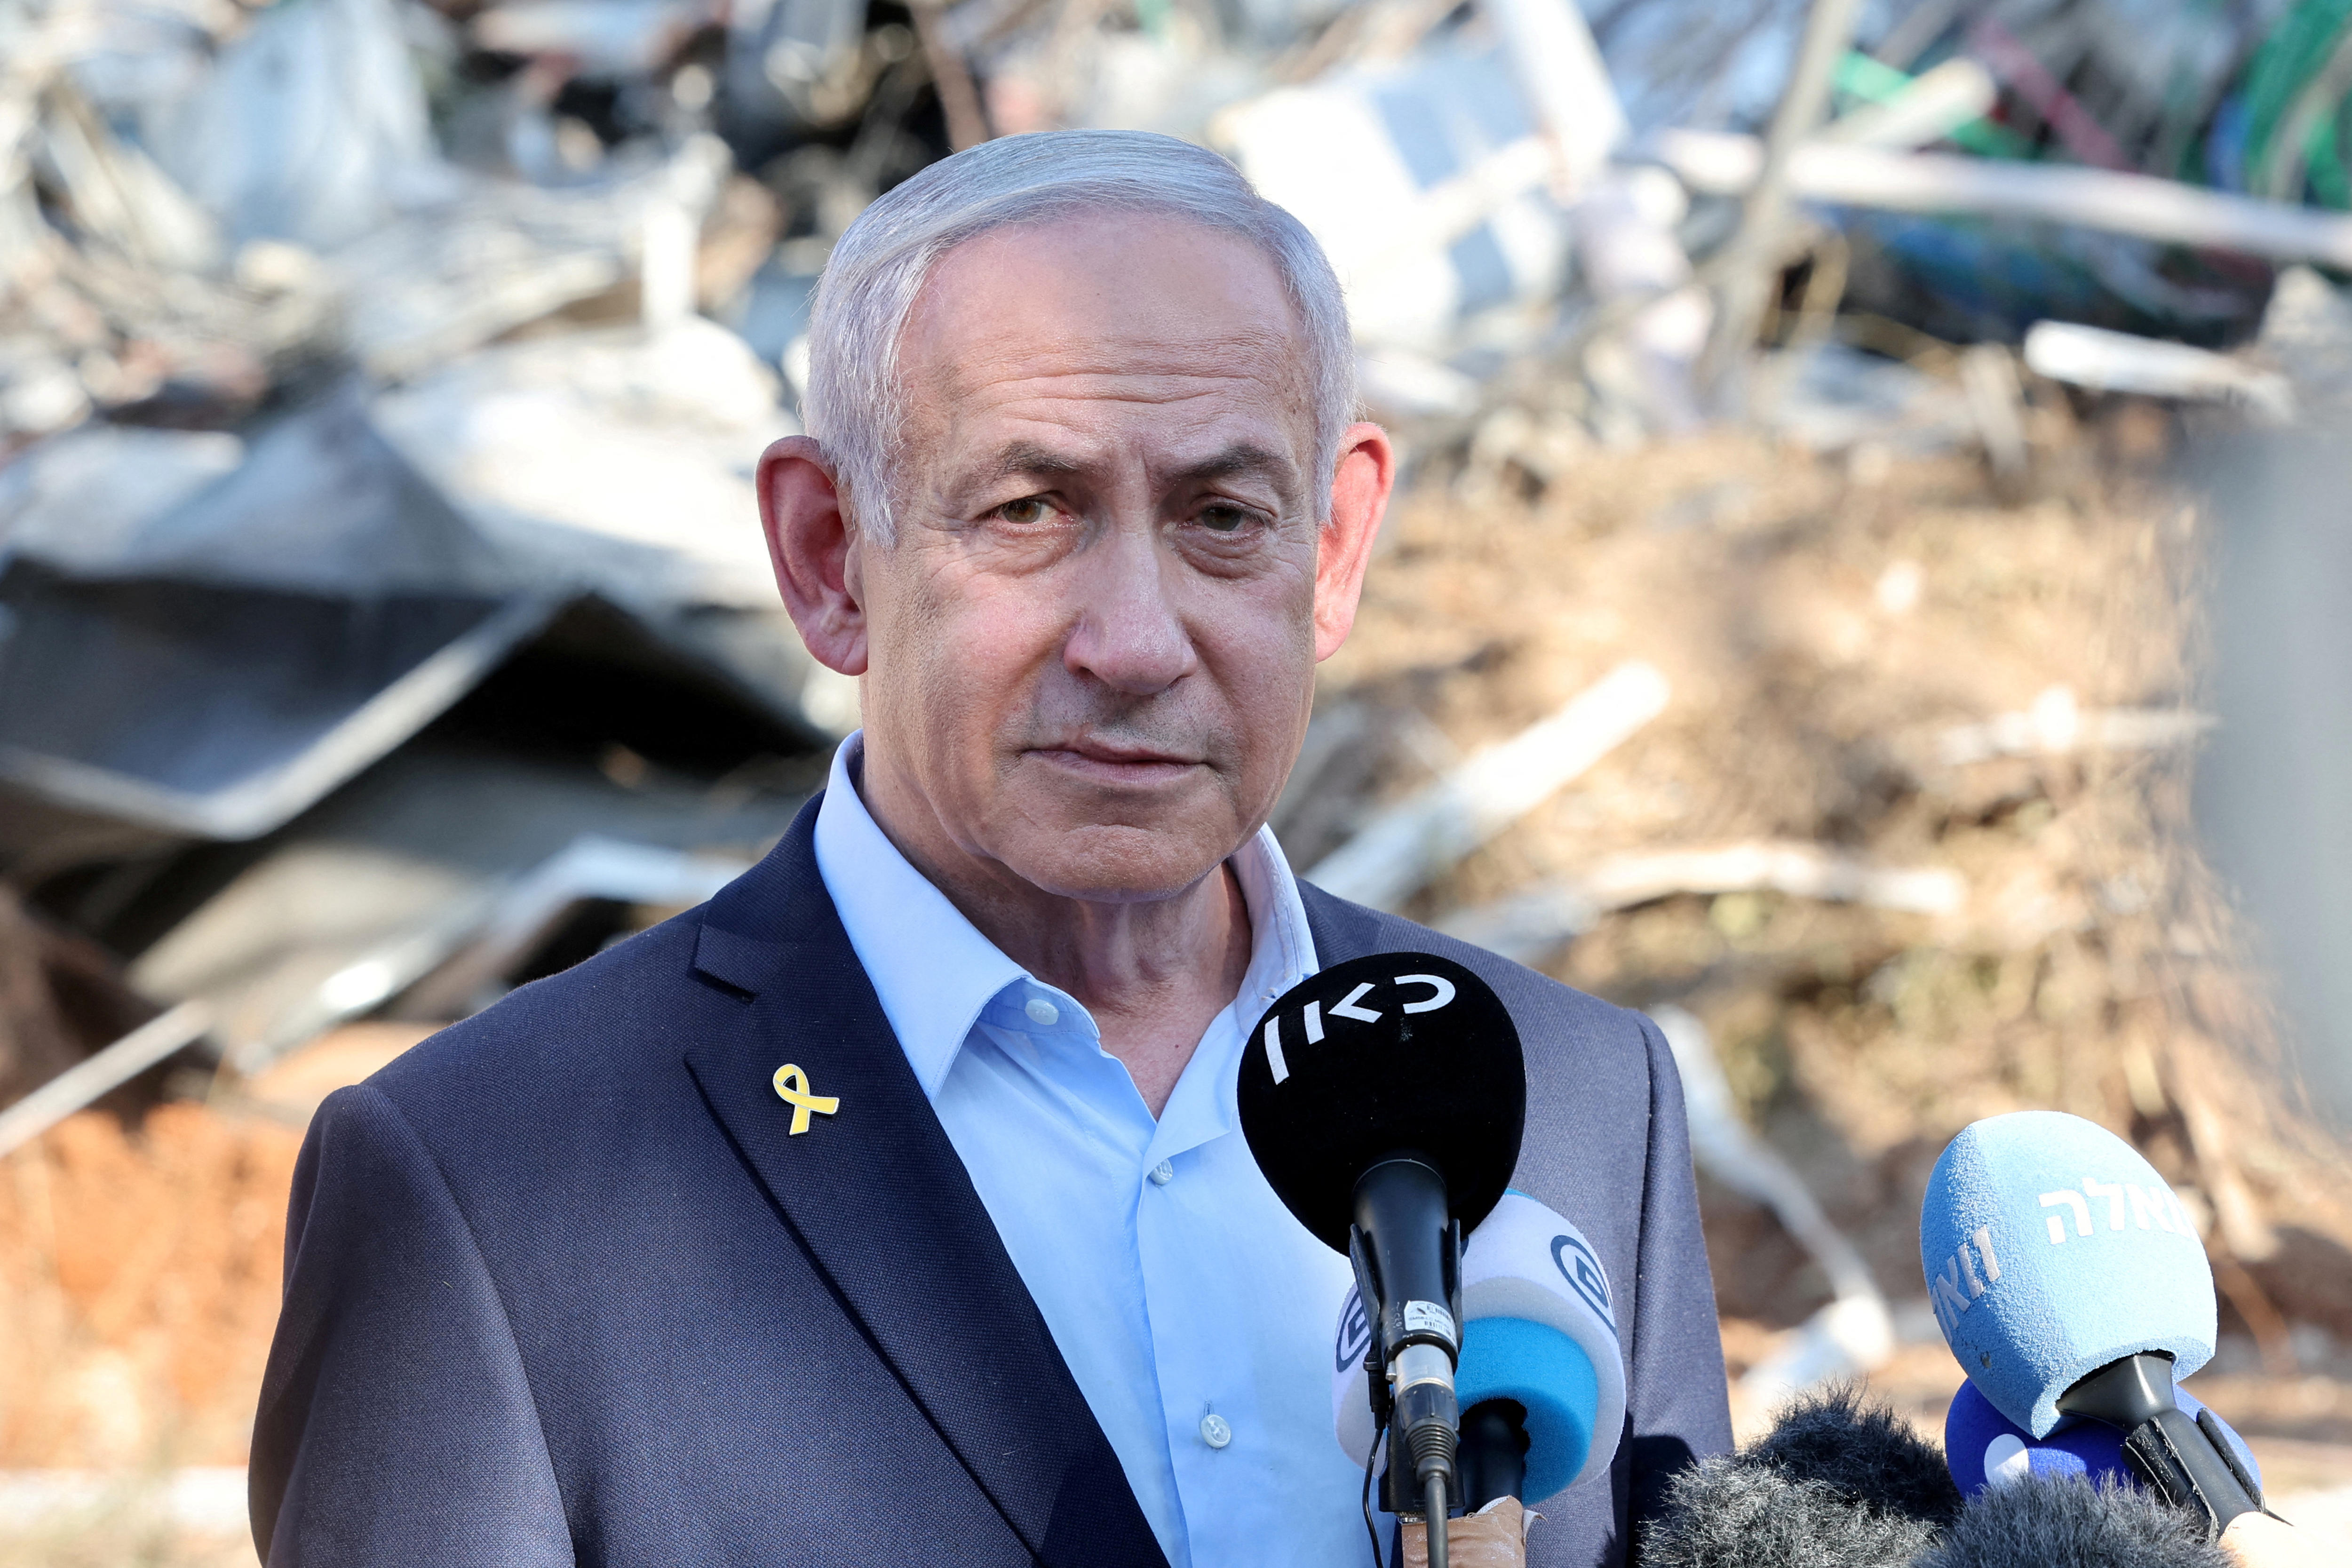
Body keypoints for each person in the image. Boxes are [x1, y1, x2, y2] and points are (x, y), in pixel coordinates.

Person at [250, 129, 1730, 1568]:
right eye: (1030, 512)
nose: (1139, 643)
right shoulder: (493, 1188)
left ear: (1333, 548)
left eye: (1223, 516)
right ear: (831, 560)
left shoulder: (1586, 1104)